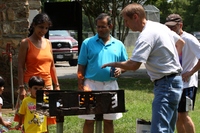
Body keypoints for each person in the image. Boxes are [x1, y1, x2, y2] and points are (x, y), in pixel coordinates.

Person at [101, 3, 185, 133]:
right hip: (175, 81)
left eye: (126, 20)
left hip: (165, 84)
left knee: (159, 130)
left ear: (135, 17)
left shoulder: (146, 35)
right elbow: (180, 42)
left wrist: (113, 63)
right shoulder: (159, 26)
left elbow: (134, 65)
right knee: (167, 129)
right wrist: (170, 61)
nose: (126, 24)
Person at [77, 13, 128, 133]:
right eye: (98, 27)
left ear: (110, 26)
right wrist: (81, 84)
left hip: (111, 85)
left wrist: (121, 70)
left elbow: (126, 64)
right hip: (91, 85)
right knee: (89, 120)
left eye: (103, 26)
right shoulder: (87, 43)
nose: (100, 29)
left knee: (108, 120)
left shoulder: (118, 44)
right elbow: (81, 65)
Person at [15, 13, 60, 126]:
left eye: (46, 28)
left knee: (44, 120)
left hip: (47, 86)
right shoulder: (26, 43)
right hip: (30, 86)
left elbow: (52, 66)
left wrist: (57, 85)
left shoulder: (48, 43)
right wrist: (21, 88)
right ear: (34, 25)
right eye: (41, 27)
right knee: (29, 119)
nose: (43, 30)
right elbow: (20, 66)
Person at [165, 13, 200, 133]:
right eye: (168, 27)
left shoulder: (189, 39)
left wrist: (190, 72)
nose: (170, 30)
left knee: (183, 115)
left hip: (188, 84)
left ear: (180, 25)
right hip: (175, 83)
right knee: (177, 115)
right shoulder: (170, 38)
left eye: (173, 27)